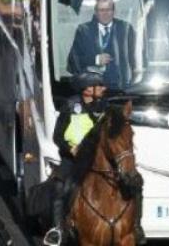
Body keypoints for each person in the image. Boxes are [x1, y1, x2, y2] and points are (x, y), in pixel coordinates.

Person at [45, 71, 108, 246]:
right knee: (60, 189)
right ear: (87, 89)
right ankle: (56, 230)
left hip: (96, 158)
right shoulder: (70, 105)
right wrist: (70, 148)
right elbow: (57, 136)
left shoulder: (103, 106)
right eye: (99, 85)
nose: (104, 88)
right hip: (72, 159)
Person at [67, 0, 137, 90]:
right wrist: (96, 60)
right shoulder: (84, 31)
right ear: (95, 12)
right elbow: (73, 62)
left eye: (108, 10)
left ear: (114, 11)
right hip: (93, 92)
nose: (105, 13)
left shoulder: (126, 29)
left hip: (122, 90)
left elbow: (136, 60)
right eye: (101, 10)